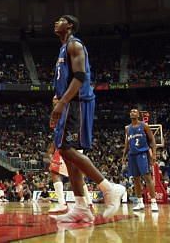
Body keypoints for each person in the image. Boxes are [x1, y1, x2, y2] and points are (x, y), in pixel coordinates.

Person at [49, 15, 125, 223]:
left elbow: (80, 76)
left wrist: (63, 103)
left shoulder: (74, 45)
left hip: (78, 102)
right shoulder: (63, 48)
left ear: (70, 25)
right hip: (69, 103)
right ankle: (81, 206)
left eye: (61, 20)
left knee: (66, 148)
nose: (56, 22)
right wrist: (57, 104)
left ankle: (108, 188)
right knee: (67, 156)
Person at [122, 108, 158, 212]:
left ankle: (153, 202)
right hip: (132, 155)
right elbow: (127, 142)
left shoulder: (144, 126)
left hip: (142, 153)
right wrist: (124, 155)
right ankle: (140, 202)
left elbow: (152, 140)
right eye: (131, 111)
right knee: (136, 179)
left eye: (134, 111)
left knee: (147, 177)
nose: (132, 112)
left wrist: (154, 154)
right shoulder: (127, 128)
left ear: (138, 115)